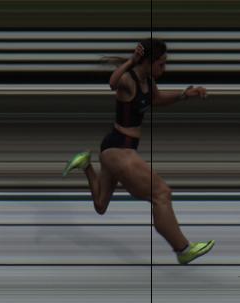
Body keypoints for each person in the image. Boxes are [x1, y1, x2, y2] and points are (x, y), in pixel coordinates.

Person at [62, 39, 215, 264]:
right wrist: (131, 60)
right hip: (120, 149)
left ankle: (86, 165)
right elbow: (112, 83)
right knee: (161, 194)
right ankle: (183, 250)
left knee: (101, 206)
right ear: (148, 62)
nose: (164, 68)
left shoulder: (148, 82)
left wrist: (185, 94)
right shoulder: (129, 79)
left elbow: (157, 99)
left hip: (114, 149)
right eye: (161, 63)